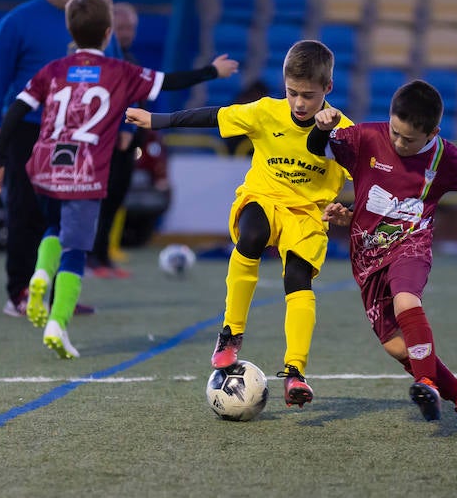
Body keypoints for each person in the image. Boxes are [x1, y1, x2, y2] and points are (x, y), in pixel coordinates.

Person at [0, 0, 238, 358]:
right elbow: (169, 81)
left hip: (45, 166)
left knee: (54, 229)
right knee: (75, 251)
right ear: (108, 34)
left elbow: (14, 110)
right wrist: (211, 71)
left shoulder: (52, 70)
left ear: (70, 33)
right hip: (85, 173)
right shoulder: (120, 72)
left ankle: (39, 275)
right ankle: (58, 323)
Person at [126, 40, 352, 407]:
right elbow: (214, 116)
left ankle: (295, 373)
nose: (298, 103)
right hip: (262, 197)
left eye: (308, 96)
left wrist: (349, 213)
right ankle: (231, 333)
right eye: (292, 93)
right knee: (252, 233)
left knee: (297, 277)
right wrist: (158, 121)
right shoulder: (265, 112)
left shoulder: (344, 131)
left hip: (307, 214)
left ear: (328, 88)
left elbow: (368, 178)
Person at [307, 79, 457, 428]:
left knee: (406, 299)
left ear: (432, 133)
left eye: (409, 139)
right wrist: (320, 127)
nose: (398, 142)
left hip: (412, 245)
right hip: (366, 256)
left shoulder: (444, 156)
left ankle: (424, 383)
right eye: (395, 132)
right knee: (395, 346)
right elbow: (318, 148)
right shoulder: (365, 137)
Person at [0, 0, 122, 318]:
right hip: (30, 132)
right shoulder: (18, 21)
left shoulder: (97, 22)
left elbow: (117, 76)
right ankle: (19, 293)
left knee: (68, 217)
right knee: (24, 211)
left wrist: (120, 125)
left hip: (79, 137)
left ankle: (59, 294)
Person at [87, 1, 140, 278]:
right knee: (99, 199)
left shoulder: (129, 60)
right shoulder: (102, 61)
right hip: (105, 142)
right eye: (121, 27)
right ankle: (91, 256)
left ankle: (103, 255)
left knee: (115, 199)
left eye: (131, 27)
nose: (127, 32)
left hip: (127, 144)